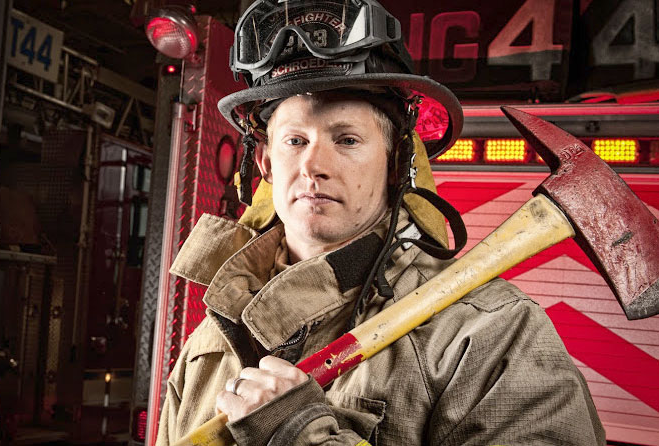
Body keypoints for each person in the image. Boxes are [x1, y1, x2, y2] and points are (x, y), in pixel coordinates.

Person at [156, 1, 605, 444]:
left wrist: (298, 435)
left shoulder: (488, 334)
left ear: (396, 164)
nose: (313, 165)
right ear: (266, 164)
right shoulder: (213, 336)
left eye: (347, 139)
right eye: (295, 140)